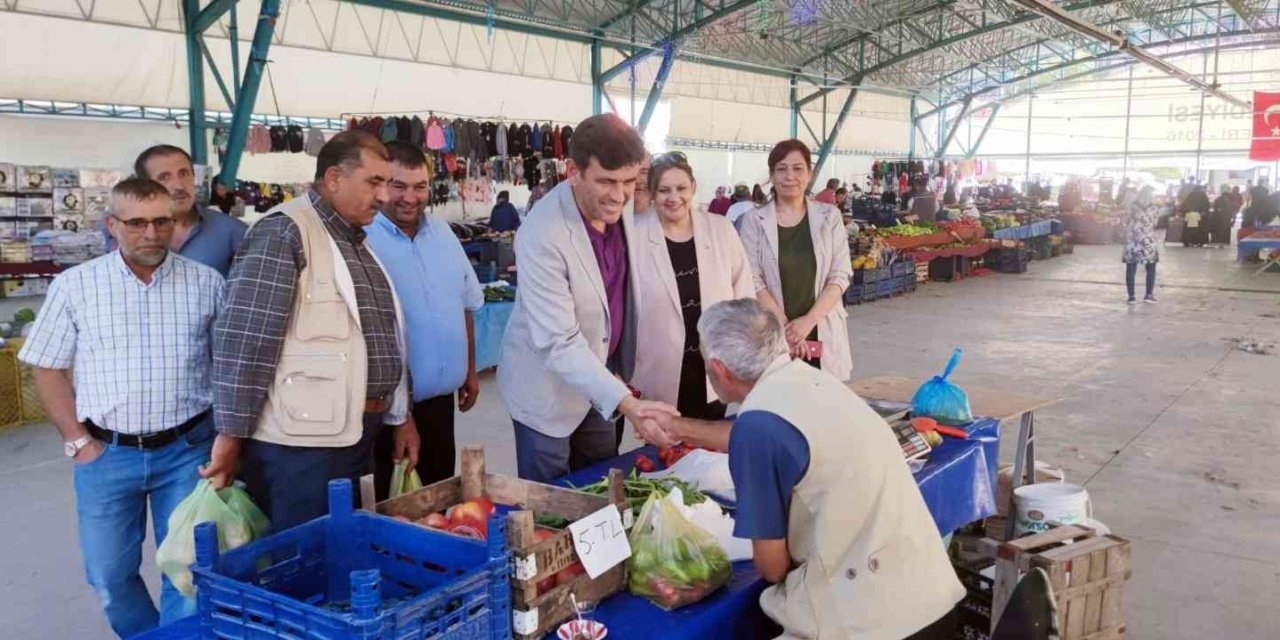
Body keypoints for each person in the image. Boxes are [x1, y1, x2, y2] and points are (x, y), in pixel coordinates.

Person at [639, 299, 965, 640]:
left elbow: (771, 567)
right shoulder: (812, 382)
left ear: (719, 369)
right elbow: (762, 435)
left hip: (868, 625)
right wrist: (676, 426)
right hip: (932, 601)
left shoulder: (758, 427)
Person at [19, 178, 225, 638]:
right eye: (136, 223)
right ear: (113, 225)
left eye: (161, 221)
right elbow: (46, 366)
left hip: (188, 452)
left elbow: (227, 366)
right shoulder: (77, 286)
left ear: (176, 223)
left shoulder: (207, 284)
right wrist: (77, 441)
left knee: (187, 573)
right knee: (109, 577)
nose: (151, 233)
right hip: (106, 455)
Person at [202, 130, 419, 530]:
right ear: (334, 178)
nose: (385, 196)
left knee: (345, 545)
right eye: (374, 182)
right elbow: (245, 342)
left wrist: (400, 415)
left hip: (354, 433)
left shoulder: (354, 240)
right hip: (300, 447)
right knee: (306, 554)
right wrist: (230, 435)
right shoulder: (283, 232)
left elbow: (382, 335)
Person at [496, 114, 678, 482]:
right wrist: (629, 405)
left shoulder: (621, 210)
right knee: (552, 504)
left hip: (602, 383)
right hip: (546, 392)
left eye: (628, 182)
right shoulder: (542, 234)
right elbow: (558, 342)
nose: (619, 195)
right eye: (606, 181)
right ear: (572, 171)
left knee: (599, 487)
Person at [365, 142, 483, 495]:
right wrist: (400, 416)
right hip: (389, 409)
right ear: (381, 184)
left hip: (439, 406)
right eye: (399, 186)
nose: (410, 197)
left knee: (440, 495)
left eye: (419, 187)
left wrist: (470, 371)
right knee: (398, 505)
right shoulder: (365, 240)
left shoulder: (443, 234)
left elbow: (465, 303)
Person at [630, 152, 754, 424]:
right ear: (652, 192)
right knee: (665, 449)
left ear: (694, 187)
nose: (673, 197)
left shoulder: (720, 229)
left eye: (681, 188)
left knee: (709, 443)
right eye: (664, 190)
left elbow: (744, 292)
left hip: (713, 363)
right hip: (659, 368)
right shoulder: (634, 235)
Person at [738, 139, 853, 382]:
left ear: (809, 174)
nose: (790, 176)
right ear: (771, 175)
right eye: (781, 169)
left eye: (798, 168)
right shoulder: (753, 221)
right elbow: (752, 279)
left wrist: (808, 322)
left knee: (822, 407)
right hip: (775, 333)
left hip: (822, 328)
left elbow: (840, 275)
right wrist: (787, 329)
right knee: (777, 407)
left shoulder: (830, 216)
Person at [133, 145, 247, 276]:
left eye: (184, 174)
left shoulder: (233, 232)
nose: (179, 186)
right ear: (144, 187)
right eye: (164, 177)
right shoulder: (127, 233)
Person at [1122, 186, 1159, 304]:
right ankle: (1148, 295)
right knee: (1151, 269)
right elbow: (1155, 223)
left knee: (1131, 269)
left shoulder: (1132, 207)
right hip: (1148, 242)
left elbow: (1125, 221)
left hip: (1133, 241)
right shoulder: (1154, 208)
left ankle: (1131, 296)